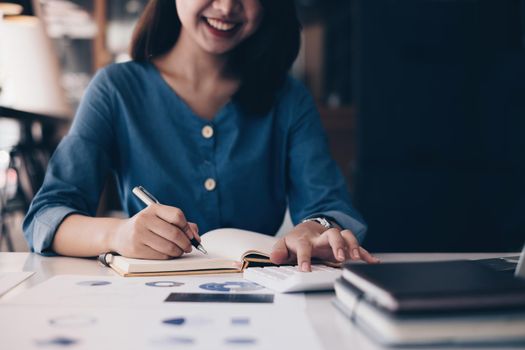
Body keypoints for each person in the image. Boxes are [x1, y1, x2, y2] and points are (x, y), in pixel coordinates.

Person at [23, 0, 378, 271]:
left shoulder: (288, 99)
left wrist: (314, 228)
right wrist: (118, 234)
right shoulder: (116, 90)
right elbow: (47, 216)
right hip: (143, 304)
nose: (226, 7)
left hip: (262, 304)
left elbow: (331, 208)